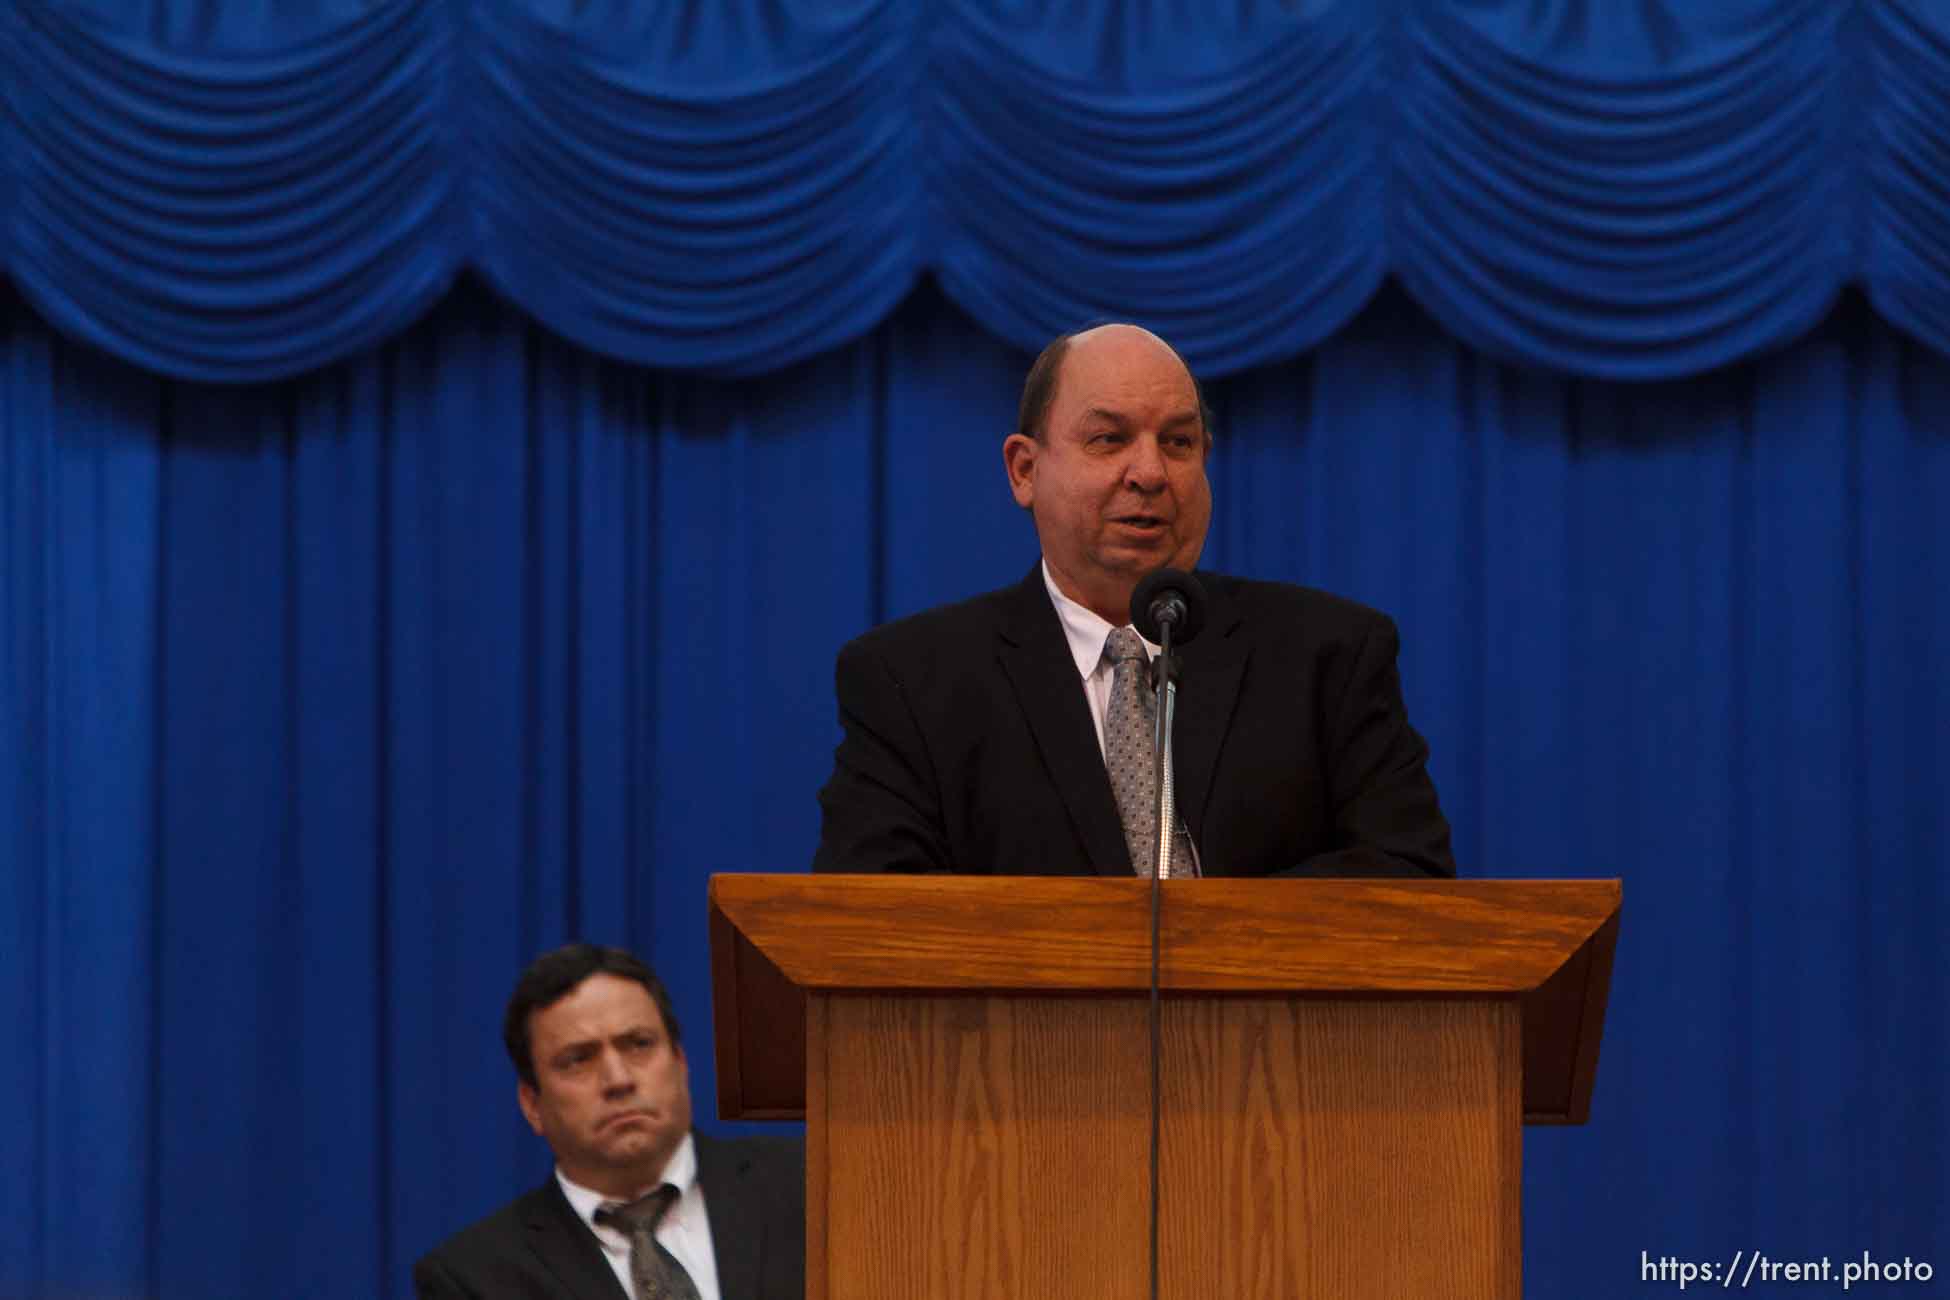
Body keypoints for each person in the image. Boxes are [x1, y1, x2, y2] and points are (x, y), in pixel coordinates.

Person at [811, 323, 1454, 878]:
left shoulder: (1330, 658)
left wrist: (1204, 942)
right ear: (1024, 470)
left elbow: (1408, 875)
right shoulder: (910, 684)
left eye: (1178, 442)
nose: (1149, 473)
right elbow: (872, 915)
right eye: (1109, 440)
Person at [414, 944, 804, 1300]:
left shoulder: (808, 1183)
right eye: (578, 1059)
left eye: (638, 1044)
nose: (618, 1080)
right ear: (532, 1103)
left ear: (681, 1064)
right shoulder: (474, 1279)